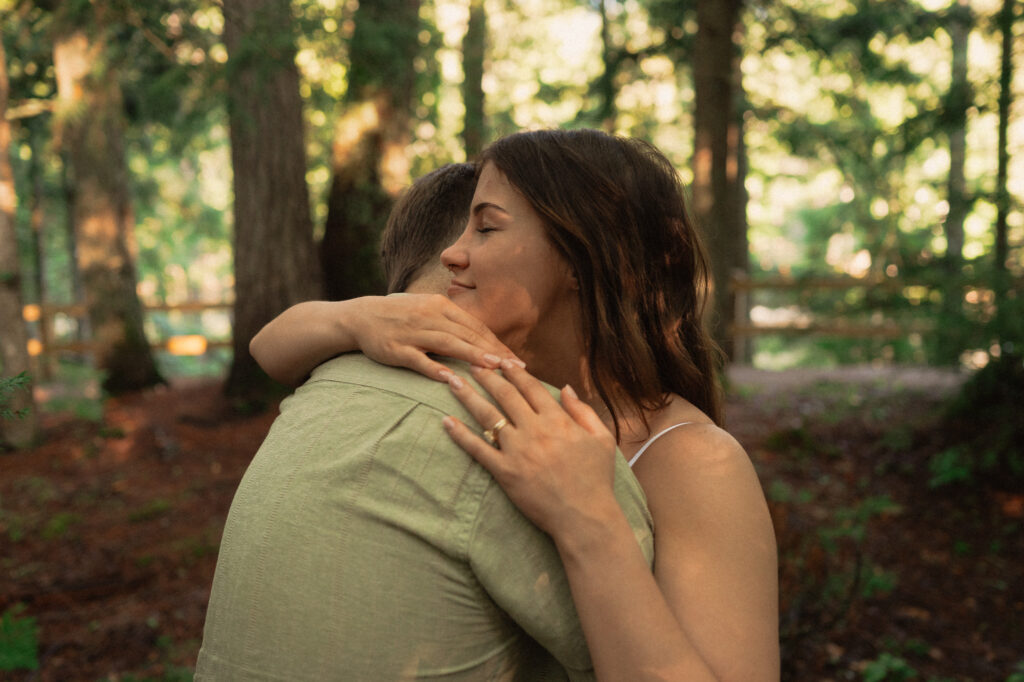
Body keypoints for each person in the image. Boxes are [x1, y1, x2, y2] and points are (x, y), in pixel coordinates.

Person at [251, 129, 780, 682]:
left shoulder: (695, 463)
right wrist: (353, 317)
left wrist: (586, 520)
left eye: (485, 227)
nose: (452, 254)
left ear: (585, 258)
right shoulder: (486, 390)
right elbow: (270, 349)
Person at [194, 163, 655, 680]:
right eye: (477, 226)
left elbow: (268, 346)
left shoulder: (320, 389)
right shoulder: (536, 437)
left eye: (488, 228)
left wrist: (354, 317)